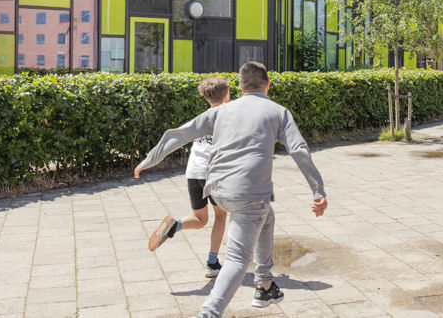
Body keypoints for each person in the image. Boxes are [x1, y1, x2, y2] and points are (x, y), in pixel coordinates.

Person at [133, 61, 327, 318]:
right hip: (248, 194)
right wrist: (318, 191)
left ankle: (264, 285)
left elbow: (180, 134)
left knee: (267, 217)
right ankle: (209, 313)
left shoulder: (221, 111)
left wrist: (149, 160)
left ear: (241, 87)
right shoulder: (278, 112)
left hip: (217, 191)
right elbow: (299, 149)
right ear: (268, 85)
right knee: (237, 258)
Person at [134, 76, 230, 279]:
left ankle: (174, 226)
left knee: (200, 219)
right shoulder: (230, 116)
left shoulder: (200, 120)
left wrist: (147, 162)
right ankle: (212, 263)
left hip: (193, 172)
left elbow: (175, 137)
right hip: (212, 174)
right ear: (227, 95)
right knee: (221, 216)